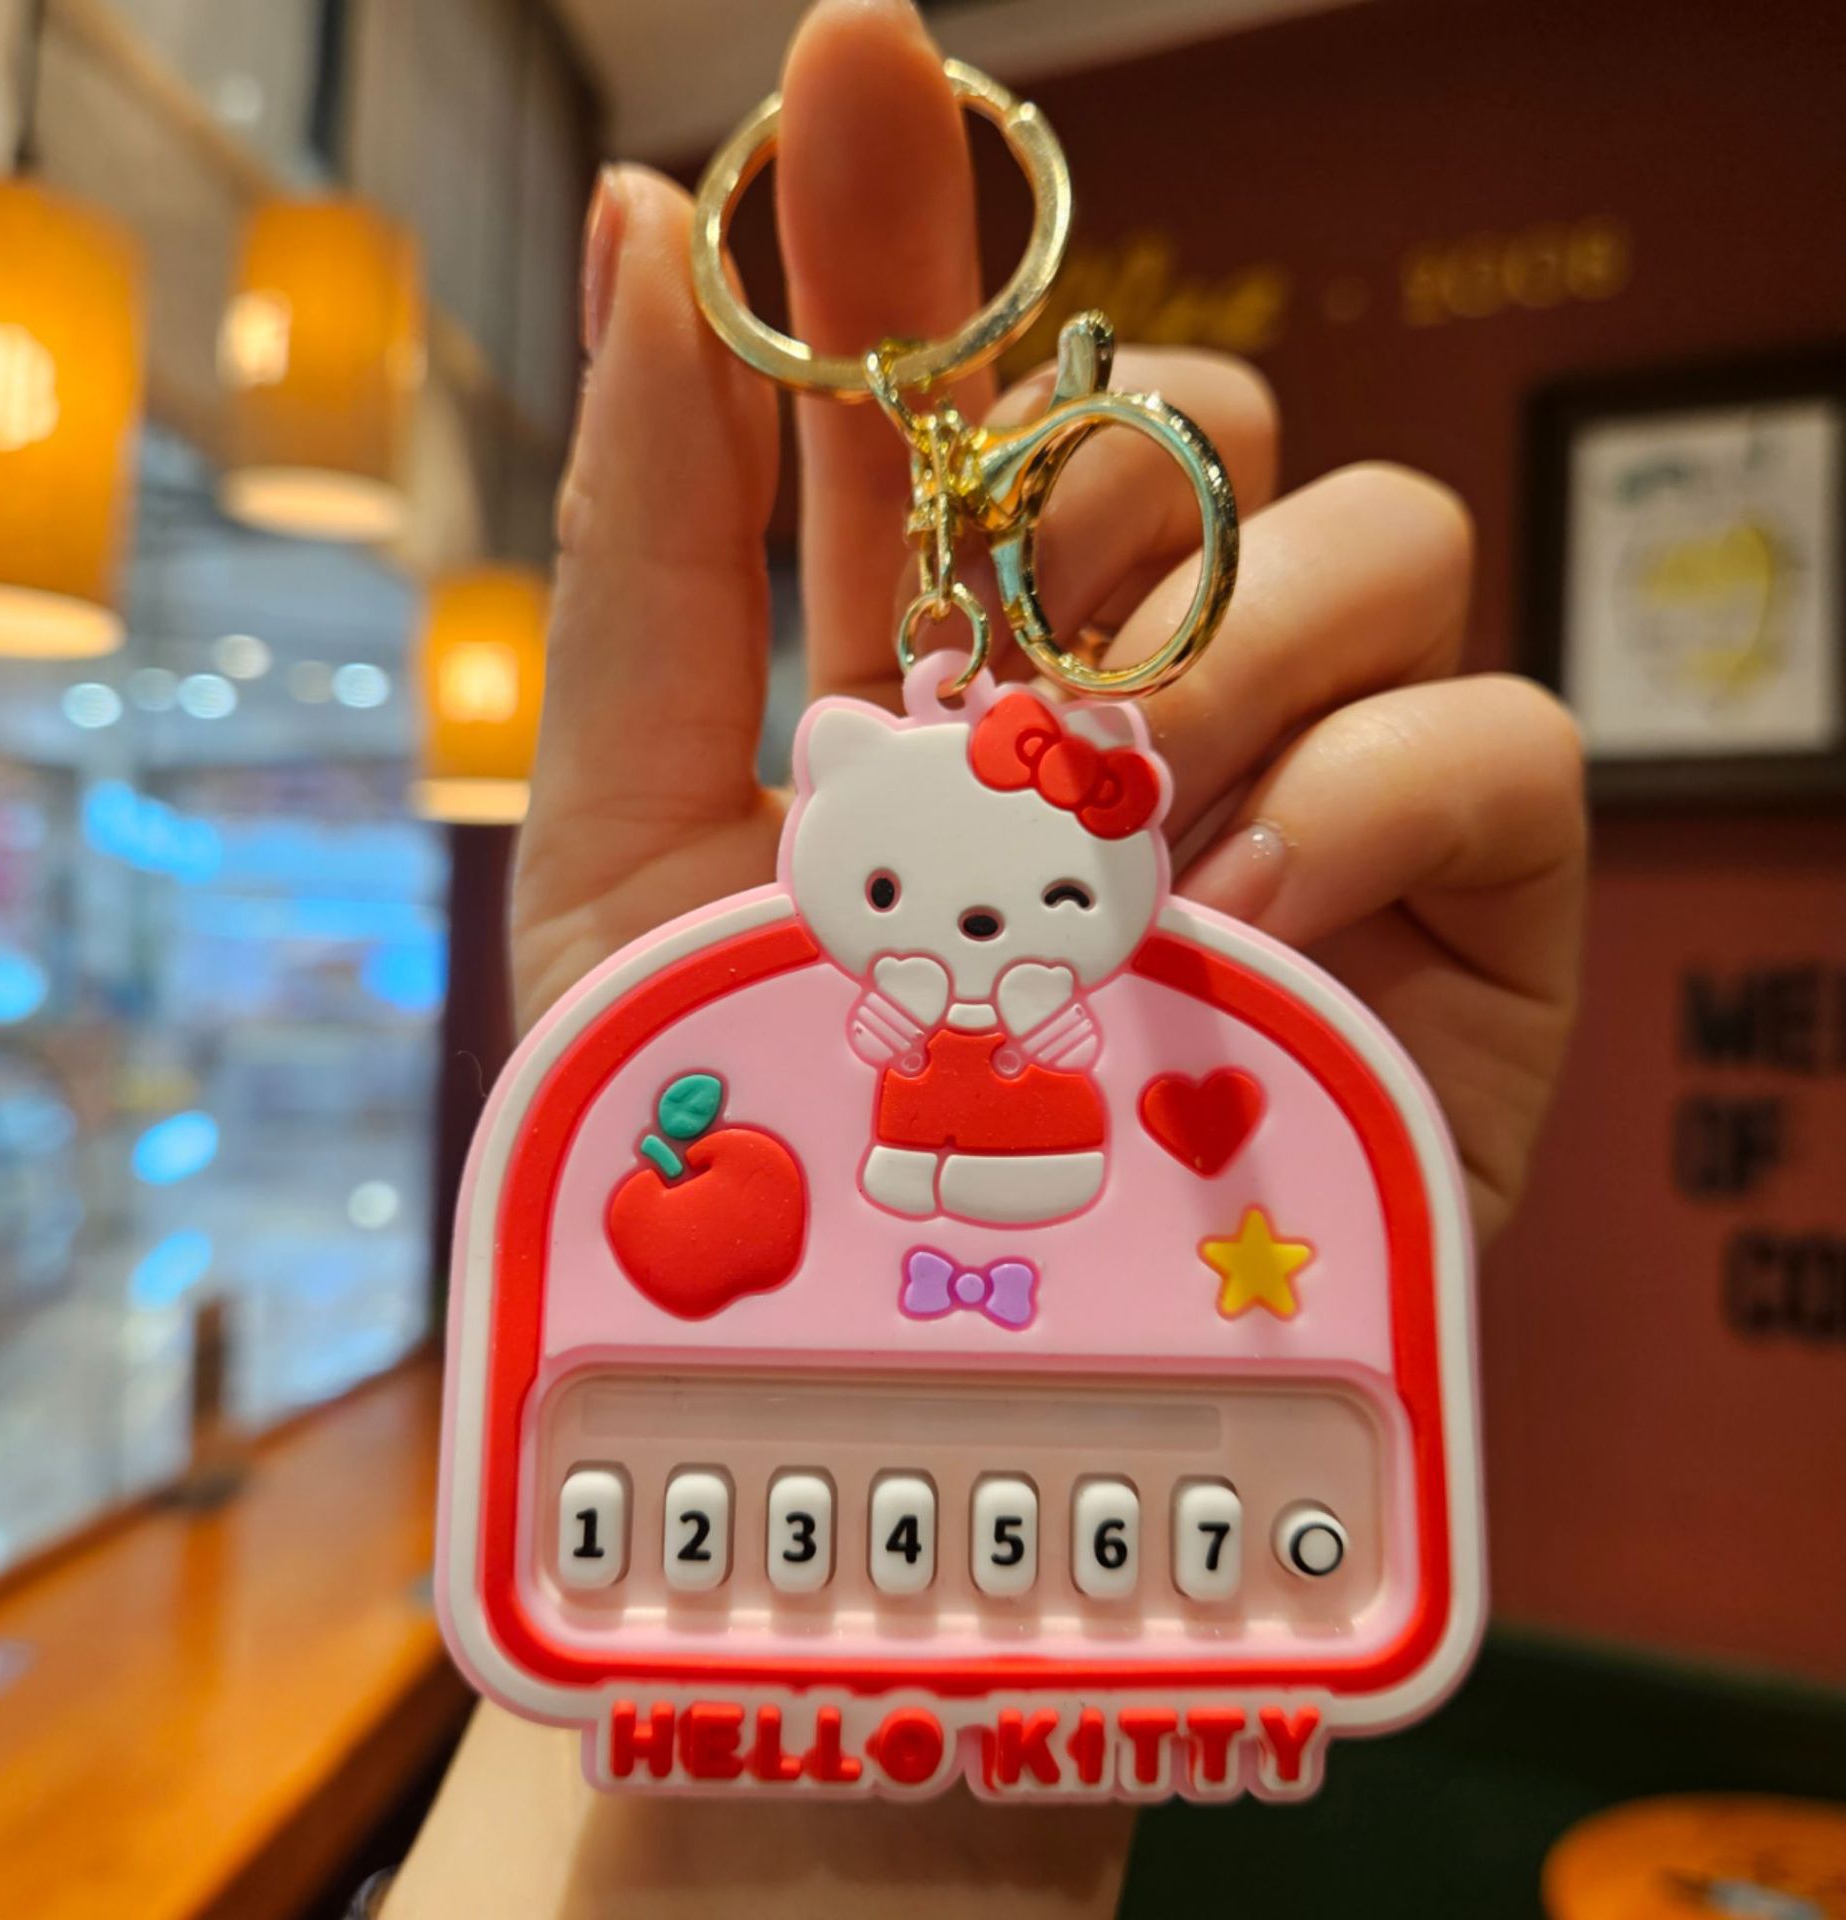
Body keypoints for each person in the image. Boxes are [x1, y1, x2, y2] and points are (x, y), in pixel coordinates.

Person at [381, 1, 1587, 1912]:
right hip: (932, 1180)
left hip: (1026, 1164)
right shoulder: (781, 997)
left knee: (994, 1163)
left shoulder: (1156, 1037)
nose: (961, 924)